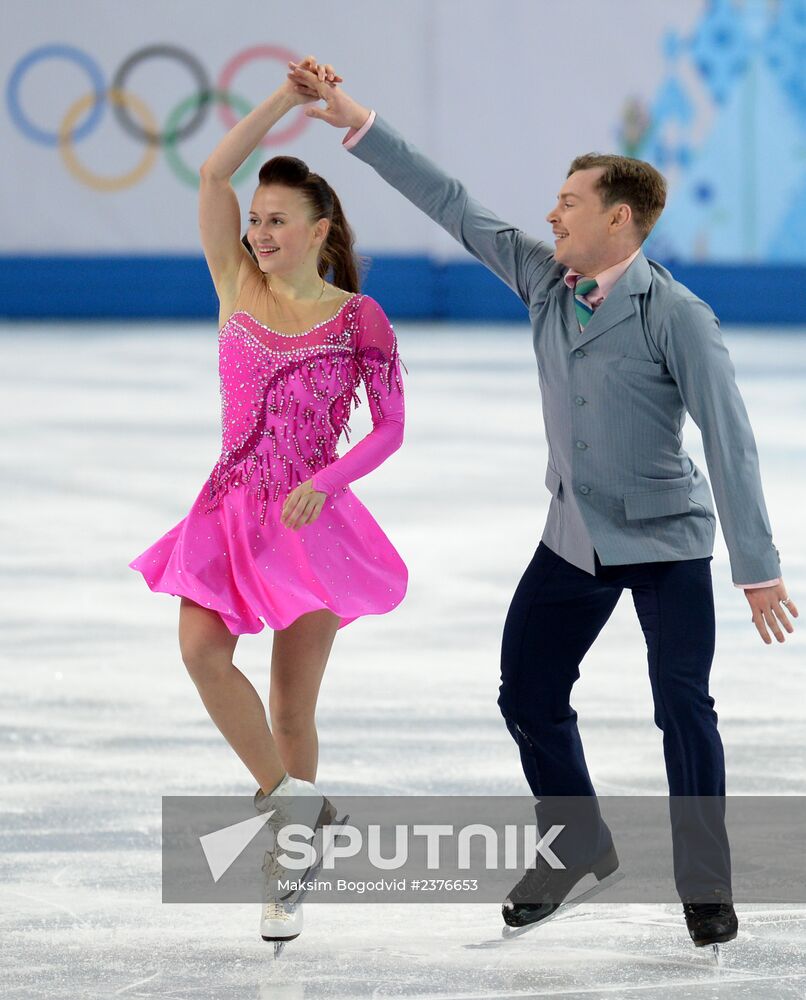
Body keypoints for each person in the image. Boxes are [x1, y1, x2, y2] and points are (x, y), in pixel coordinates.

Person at [285, 55, 799, 951]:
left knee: (683, 707)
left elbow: (731, 440)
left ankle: (705, 885)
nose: (551, 213)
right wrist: (353, 117)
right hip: (573, 539)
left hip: (668, 542)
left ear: (619, 218)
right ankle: (575, 845)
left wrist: (757, 569)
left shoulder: (679, 316)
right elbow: (452, 201)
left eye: (569, 200)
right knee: (527, 692)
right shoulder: (541, 280)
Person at [127, 70, 408, 947]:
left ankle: (287, 876)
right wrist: (286, 106)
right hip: (227, 511)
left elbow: (390, 430)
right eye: (257, 220)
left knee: (293, 709)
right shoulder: (235, 286)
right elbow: (213, 176)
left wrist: (326, 483)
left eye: (277, 219)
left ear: (320, 229)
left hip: (309, 523)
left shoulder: (360, 318)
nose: (259, 231)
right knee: (201, 650)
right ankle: (295, 803)